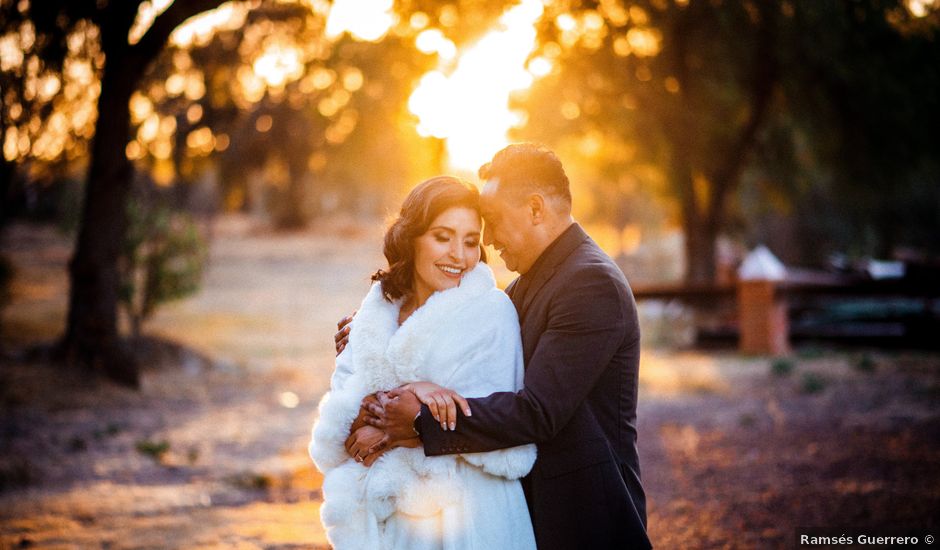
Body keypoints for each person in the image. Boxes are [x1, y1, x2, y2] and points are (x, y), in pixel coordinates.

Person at [341, 144, 652, 550]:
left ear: (536, 209)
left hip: (583, 516)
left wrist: (421, 423)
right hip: (529, 510)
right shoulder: (529, 282)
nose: (488, 239)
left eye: (492, 221)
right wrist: (372, 333)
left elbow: (537, 411)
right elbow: (460, 344)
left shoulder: (591, 284)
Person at [308, 176, 537, 550]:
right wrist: (414, 392)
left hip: (467, 516)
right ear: (411, 238)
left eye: (469, 241)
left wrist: (401, 419)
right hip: (385, 522)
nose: (459, 256)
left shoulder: (492, 313)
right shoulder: (373, 313)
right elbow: (344, 425)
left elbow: (502, 437)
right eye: (442, 237)